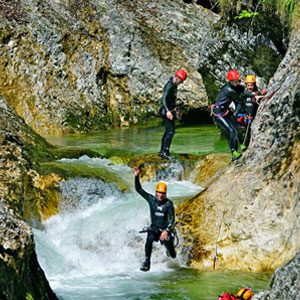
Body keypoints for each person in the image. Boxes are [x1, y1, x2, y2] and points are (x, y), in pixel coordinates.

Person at [132, 166, 177, 272]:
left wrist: (167, 231)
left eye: (163, 193)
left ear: (165, 194)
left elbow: (172, 219)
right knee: (149, 239)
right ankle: (147, 262)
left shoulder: (168, 203)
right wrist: (137, 176)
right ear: (156, 192)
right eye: (159, 193)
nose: (160, 195)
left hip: (165, 231)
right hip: (155, 229)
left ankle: (171, 250)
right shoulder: (151, 200)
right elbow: (139, 189)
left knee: (172, 254)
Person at [211, 70, 244, 161]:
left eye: (238, 80)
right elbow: (240, 99)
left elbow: (241, 92)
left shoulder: (233, 87)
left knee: (238, 127)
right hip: (218, 114)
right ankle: (233, 153)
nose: (238, 82)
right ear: (231, 81)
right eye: (236, 80)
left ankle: (242, 144)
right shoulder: (229, 90)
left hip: (226, 111)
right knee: (231, 131)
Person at [159, 69, 187, 159]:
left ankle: (163, 151)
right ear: (177, 78)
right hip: (166, 111)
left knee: (168, 131)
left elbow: (171, 99)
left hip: (170, 110)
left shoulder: (174, 85)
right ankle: (165, 152)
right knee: (171, 131)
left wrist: (175, 109)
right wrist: (167, 111)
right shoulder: (170, 85)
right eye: (181, 81)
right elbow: (164, 98)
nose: (181, 83)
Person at [237, 75, 267, 150]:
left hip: (253, 116)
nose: (250, 87)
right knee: (240, 132)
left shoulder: (257, 93)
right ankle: (242, 144)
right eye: (248, 85)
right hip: (245, 116)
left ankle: (245, 146)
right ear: (246, 85)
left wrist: (263, 94)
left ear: (254, 85)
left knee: (249, 131)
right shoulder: (244, 93)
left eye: (251, 85)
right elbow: (241, 101)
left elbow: (261, 97)